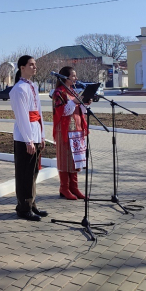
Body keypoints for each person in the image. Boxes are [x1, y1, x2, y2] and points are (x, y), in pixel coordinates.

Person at [9, 55, 47, 221]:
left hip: (35, 133)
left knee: (33, 172)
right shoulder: (18, 89)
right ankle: (23, 207)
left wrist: (42, 135)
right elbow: (22, 117)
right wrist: (28, 140)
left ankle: (31, 203)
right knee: (24, 173)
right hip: (25, 136)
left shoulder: (33, 86)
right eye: (31, 65)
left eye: (35, 64)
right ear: (22, 67)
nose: (34, 67)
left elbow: (39, 113)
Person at [52, 66, 91, 200]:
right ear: (65, 77)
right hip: (65, 130)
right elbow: (61, 112)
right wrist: (75, 102)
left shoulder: (73, 91)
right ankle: (64, 188)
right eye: (73, 76)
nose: (76, 78)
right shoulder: (58, 92)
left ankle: (74, 187)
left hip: (76, 130)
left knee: (75, 160)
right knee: (65, 160)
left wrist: (84, 104)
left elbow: (80, 111)